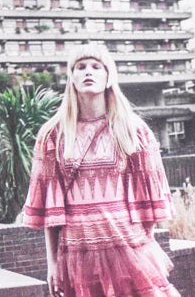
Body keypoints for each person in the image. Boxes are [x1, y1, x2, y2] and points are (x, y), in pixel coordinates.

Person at [22, 43, 179, 297]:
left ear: (108, 77)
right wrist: (52, 263)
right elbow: (51, 210)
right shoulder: (53, 134)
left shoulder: (133, 129)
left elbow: (149, 202)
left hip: (127, 245)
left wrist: (139, 246)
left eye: (97, 67)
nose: (88, 72)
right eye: (81, 67)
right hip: (77, 252)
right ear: (71, 77)